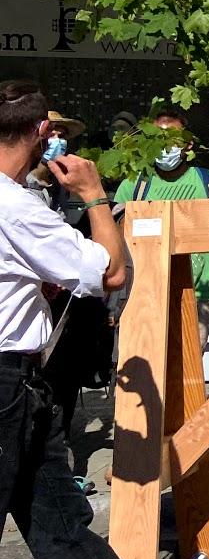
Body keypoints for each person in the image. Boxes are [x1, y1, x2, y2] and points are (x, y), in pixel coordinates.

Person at [0, 80, 209, 559]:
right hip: (6, 380)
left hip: (22, 383)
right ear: (43, 134)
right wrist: (94, 197)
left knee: (58, 521)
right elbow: (112, 269)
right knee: (55, 521)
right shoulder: (16, 207)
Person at [26, 109, 112, 494]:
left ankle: (59, 470)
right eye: (51, 133)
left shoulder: (66, 188)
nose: (57, 140)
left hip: (65, 304)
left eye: (63, 134)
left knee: (62, 385)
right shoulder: (20, 188)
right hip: (24, 311)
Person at [114, 108, 209, 348]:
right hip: (143, 293)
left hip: (199, 294)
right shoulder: (134, 185)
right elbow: (116, 238)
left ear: (188, 145)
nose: (165, 146)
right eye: (157, 138)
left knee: (189, 366)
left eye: (172, 139)